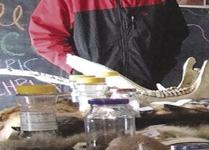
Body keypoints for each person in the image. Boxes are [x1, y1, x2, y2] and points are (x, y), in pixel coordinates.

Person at [28, 0, 188, 88]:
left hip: (147, 91)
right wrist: (77, 69)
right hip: (92, 93)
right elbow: (44, 35)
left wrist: (156, 71)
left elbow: (175, 33)